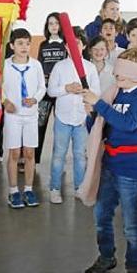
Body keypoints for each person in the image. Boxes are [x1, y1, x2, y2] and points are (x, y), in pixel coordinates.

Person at [79, 48, 137, 273]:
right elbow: (102, 128)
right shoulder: (114, 94)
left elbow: (129, 124)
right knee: (101, 216)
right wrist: (93, 114)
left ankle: (135, 267)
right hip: (110, 165)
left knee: (131, 223)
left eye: (124, 71)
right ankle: (107, 256)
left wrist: (100, 106)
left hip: (131, 169)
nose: (117, 75)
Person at [47, 28, 100, 204]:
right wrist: (66, 89)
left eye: (77, 43)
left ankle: (79, 187)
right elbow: (51, 90)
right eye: (70, 44)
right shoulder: (59, 67)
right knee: (58, 155)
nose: (74, 47)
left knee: (80, 155)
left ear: (84, 45)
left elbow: (96, 92)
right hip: (62, 118)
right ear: (65, 47)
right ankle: (55, 188)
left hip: (81, 119)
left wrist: (86, 93)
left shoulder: (90, 68)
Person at [2, 28, 46, 209]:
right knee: (14, 153)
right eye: (20, 43)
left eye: (27, 43)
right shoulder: (5, 65)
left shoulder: (35, 65)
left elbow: (42, 87)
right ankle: (13, 191)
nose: (24, 47)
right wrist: (5, 101)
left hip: (30, 115)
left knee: (29, 153)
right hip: (13, 115)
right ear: (12, 45)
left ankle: (28, 189)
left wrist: (35, 98)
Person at [36, 13, 67, 165]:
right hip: (45, 91)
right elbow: (39, 66)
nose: (53, 26)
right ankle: (33, 160)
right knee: (40, 124)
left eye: (56, 23)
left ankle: (58, 161)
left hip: (61, 91)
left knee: (60, 128)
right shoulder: (43, 45)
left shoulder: (65, 44)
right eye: (50, 23)